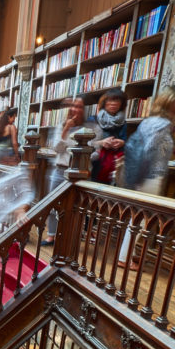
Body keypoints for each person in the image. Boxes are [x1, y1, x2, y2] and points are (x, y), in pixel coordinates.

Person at [118, 86, 175, 264]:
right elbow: (149, 150)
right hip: (149, 177)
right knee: (140, 220)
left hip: (141, 176)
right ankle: (124, 258)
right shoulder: (163, 124)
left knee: (137, 219)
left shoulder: (150, 120)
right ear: (172, 101)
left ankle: (126, 254)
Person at [43, 98, 96, 246]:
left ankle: (71, 238)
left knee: (78, 208)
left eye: (80, 107)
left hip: (80, 173)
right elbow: (57, 149)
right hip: (60, 170)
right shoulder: (61, 126)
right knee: (53, 203)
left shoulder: (89, 128)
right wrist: (66, 129)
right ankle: (51, 235)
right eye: (73, 106)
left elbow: (93, 152)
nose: (76, 109)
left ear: (83, 110)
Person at [91, 91, 127, 183]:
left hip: (115, 165)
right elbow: (84, 143)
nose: (114, 103)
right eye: (110, 100)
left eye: (117, 100)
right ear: (104, 103)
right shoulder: (93, 120)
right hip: (94, 164)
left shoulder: (123, 122)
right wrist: (101, 143)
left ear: (122, 104)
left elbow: (125, 142)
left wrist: (122, 142)